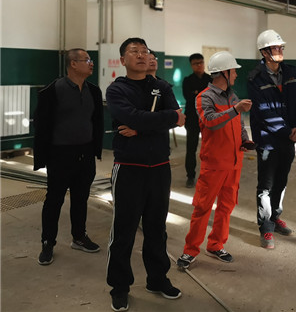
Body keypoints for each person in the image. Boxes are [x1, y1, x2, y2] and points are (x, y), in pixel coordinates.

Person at [105, 37, 185, 312]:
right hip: (129, 168)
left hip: (160, 167)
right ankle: (119, 287)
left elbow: (178, 117)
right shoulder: (117, 90)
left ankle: (157, 279)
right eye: (134, 51)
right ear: (123, 60)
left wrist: (140, 127)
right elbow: (139, 117)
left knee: (156, 228)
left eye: (144, 51)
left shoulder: (162, 87)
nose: (141, 55)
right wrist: (162, 120)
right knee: (124, 231)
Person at [176, 51, 253, 269]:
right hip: (215, 163)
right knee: (203, 207)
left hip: (234, 162)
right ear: (224, 73)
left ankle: (216, 244)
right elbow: (210, 121)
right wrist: (235, 109)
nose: (236, 75)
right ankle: (190, 250)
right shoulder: (204, 97)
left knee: (226, 206)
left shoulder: (233, 96)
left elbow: (240, 123)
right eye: (233, 71)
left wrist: (245, 140)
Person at [34, 48, 103, 266]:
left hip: (86, 153)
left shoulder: (93, 90)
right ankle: (48, 242)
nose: (91, 63)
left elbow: (96, 121)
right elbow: (42, 124)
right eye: (87, 60)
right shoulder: (53, 90)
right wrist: (43, 156)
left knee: (81, 197)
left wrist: (95, 149)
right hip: (60, 154)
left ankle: (79, 237)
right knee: (54, 199)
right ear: (73, 64)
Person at [247, 29, 296, 249]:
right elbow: (263, 111)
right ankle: (265, 227)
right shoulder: (255, 78)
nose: (280, 50)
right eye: (275, 47)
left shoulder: (292, 73)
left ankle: (275, 216)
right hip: (268, 139)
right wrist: (286, 130)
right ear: (264, 52)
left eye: (281, 47)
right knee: (266, 185)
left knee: (281, 181)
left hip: (289, 137)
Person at [182, 53, 211, 188]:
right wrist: (202, 95)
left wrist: (197, 93)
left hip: (208, 119)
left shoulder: (211, 80)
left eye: (201, 63)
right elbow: (189, 97)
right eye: (195, 63)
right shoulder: (187, 81)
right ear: (191, 65)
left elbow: (213, 98)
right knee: (191, 149)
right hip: (192, 119)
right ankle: (190, 176)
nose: (199, 65)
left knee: (209, 150)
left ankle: (209, 176)